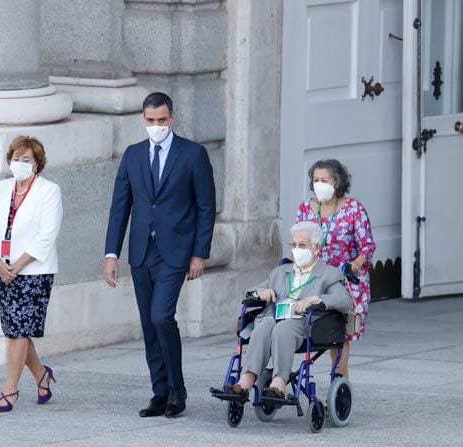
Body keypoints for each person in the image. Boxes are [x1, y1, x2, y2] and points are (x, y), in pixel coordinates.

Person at [103, 92, 216, 418]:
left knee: (161, 316)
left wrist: (199, 254)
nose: (156, 126)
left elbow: (206, 207)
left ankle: (177, 389)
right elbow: (120, 207)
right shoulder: (133, 155)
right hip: (141, 250)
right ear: (144, 119)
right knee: (148, 324)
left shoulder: (193, 154)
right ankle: (160, 391)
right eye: (150, 121)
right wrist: (111, 253)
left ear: (172, 118)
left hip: (175, 251)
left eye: (162, 120)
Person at [0, 136, 63, 413]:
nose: (20, 164)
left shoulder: (48, 191)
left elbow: (46, 235)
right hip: (2, 269)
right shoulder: (0, 189)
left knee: (18, 331)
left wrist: (16, 266)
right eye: (16, 159)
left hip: (33, 271)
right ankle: (41, 375)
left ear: (37, 164)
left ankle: (10, 389)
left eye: (26, 160)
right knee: (16, 329)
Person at [228, 222, 352, 398]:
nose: (296, 250)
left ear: (316, 248)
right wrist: (262, 291)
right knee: (263, 327)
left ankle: (279, 382)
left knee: (283, 328)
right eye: (293, 245)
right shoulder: (280, 272)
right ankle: (246, 381)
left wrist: (316, 299)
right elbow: (253, 289)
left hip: (304, 322)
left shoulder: (329, 274)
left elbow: (345, 300)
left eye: (302, 245)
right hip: (274, 316)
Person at [295, 159, 375, 378]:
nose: (319, 184)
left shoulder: (353, 208)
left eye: (325, 180)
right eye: (316, 180)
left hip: (344, 279)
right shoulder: (305, 207)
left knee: (338, 334)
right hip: (314, 277)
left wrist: (356, 264)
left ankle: (339, 379)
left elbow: (367, 245)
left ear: (337, 182)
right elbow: (298, 239)